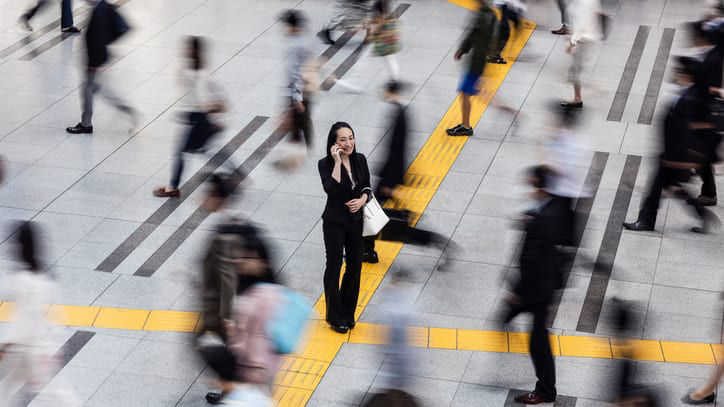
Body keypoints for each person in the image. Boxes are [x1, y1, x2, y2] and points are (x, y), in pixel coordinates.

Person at [623, 56, 720, 234]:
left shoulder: (691, 98)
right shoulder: (686, 93)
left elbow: (688, 133)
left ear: (687, 76)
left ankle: (645, 221)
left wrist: (680, 160)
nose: (675, 74)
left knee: (659, 188)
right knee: (672, 187)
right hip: (672, 154)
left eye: (679, 72)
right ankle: (702, 214)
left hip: (676, 156)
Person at [502, 166, 564, 405]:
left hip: (538, 288)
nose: (530, 191)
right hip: (546, 283)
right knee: (537, 335)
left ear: (542, 188)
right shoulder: (554, 207)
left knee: (538, 340)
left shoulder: (543, 220)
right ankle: (546, 388)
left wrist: (517, 293)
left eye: (533, 186)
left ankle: (546, 390)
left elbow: (532, 260)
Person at [0, 222, 79, 407]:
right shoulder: (43, 278)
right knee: (12, 386)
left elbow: (24, 321)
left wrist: (6, 344)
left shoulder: (23, 280)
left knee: (53, 391)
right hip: (38, 347)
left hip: (32, 349)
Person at [198, 231, 280, 407]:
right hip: (245, 364)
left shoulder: (267, 295)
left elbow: (262, 336)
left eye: (249, 257)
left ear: (263, 262)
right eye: (241, 256)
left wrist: (254, 371)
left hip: (253, 369)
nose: (242, 260)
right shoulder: (248, 284)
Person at [154, 36, 227, 198]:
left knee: (186, 151)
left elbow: (202, 100)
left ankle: (173, 187)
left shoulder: (198, 73)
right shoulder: (195, 70)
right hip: (195, 116)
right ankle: (237, 173)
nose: (184, 50)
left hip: (198, 117)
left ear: (194, 50)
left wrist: (211, 119)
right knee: (203, 150)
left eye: (188, 48)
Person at [318, 122, 371, 334]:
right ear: (334, 143)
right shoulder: (325, 164)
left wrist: (362, 199)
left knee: (355, 265)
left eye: (351, 137)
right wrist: (338, 162)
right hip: (334, 223)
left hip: (356, 221)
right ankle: (334, 316)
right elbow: (331, 190)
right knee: (334, 266)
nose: (348, 143)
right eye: (343, 139)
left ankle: (348, 313)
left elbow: (367, 185)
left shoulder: (360, 159)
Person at [66, 0, 137, 135]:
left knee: (90, 91)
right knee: (97, 91)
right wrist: (108, 42)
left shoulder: (99, 12)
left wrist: (94, 63)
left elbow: (97, 40)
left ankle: (86, 124)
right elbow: (123, 28)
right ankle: (127, 111)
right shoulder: (104, 7)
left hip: (96, 61)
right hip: (99, 59)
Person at [446, 0, 496, 137]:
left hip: (477, 63)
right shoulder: (490, 14)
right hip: (478, 60)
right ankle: (465, 125)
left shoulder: (483, 16)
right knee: (469, 93)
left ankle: (466, 126)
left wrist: (462, 49)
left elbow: (473, 35)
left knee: (466, 93)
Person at [686, 21, 723, 207]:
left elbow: (709, 89)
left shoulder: (714, 58)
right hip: (704, 113)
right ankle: (708, 192)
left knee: (701, 154)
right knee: (702, 155)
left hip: (704, 114)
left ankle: (708, 193)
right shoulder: (715, 55)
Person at [274, 10, 315, 171]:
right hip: (302, 89)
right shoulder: (305, 40)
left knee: (297, 123)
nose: (286, 29)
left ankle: (295, 157)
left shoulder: (297, 45)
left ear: (294, 26)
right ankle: (300, 153)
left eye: (288, 26)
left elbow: (298, 72)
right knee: (302, 123)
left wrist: (296, 97)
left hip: (297, 91)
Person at [561, 0, 602, 108]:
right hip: (584, 38)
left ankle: (578, 99)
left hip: (583, 40)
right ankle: (578, 96)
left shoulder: (585, 2)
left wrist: (572, 42)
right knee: (575, 70)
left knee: (575, 71)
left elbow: (582, 25)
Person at [488, 0, 525, 64]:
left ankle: (494, 55)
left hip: (503, 7)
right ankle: (494, 56)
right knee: (503, 32)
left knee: (502, 33)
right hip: (502, 8)